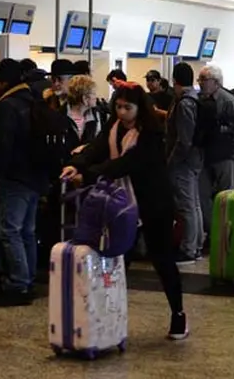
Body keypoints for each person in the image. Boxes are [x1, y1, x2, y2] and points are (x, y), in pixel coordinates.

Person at [61, 82, 188, 340]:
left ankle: (178, 314)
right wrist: (77, 164)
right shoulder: (114, 126)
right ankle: (107, 318)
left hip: (152, 205)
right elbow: (96, 148)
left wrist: (86, 173)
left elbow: (127, 164)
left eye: (127, 107)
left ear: (139, 108)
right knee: (115, 260)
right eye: (117, 106)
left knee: (162, 260)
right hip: (118, 204)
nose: (121, 112)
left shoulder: (151, 134)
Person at [0, 59, 48, 307]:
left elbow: (1, 146)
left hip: (15, 177)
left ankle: (19, 283)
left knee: (10, 230)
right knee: (27, 232)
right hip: (35, 177)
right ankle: (28, 278)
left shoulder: (7, 107)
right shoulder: (33, 101)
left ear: (1, 82)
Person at [167, 62, 204, 265]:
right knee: (194, 204)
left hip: (184, 162)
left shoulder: (184, 103)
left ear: (175, 80)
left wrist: (171, 161)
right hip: (195, 159)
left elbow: (184, 139)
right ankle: (195, 245)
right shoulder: (195, 99)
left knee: (187, 205)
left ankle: (189, 249)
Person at [63, 75, 106, 154]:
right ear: (84, 98)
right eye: (93, 93)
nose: (96, 97)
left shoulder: (97, 115)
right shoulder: (61, 116)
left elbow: (99, 142)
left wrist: (85, 147)